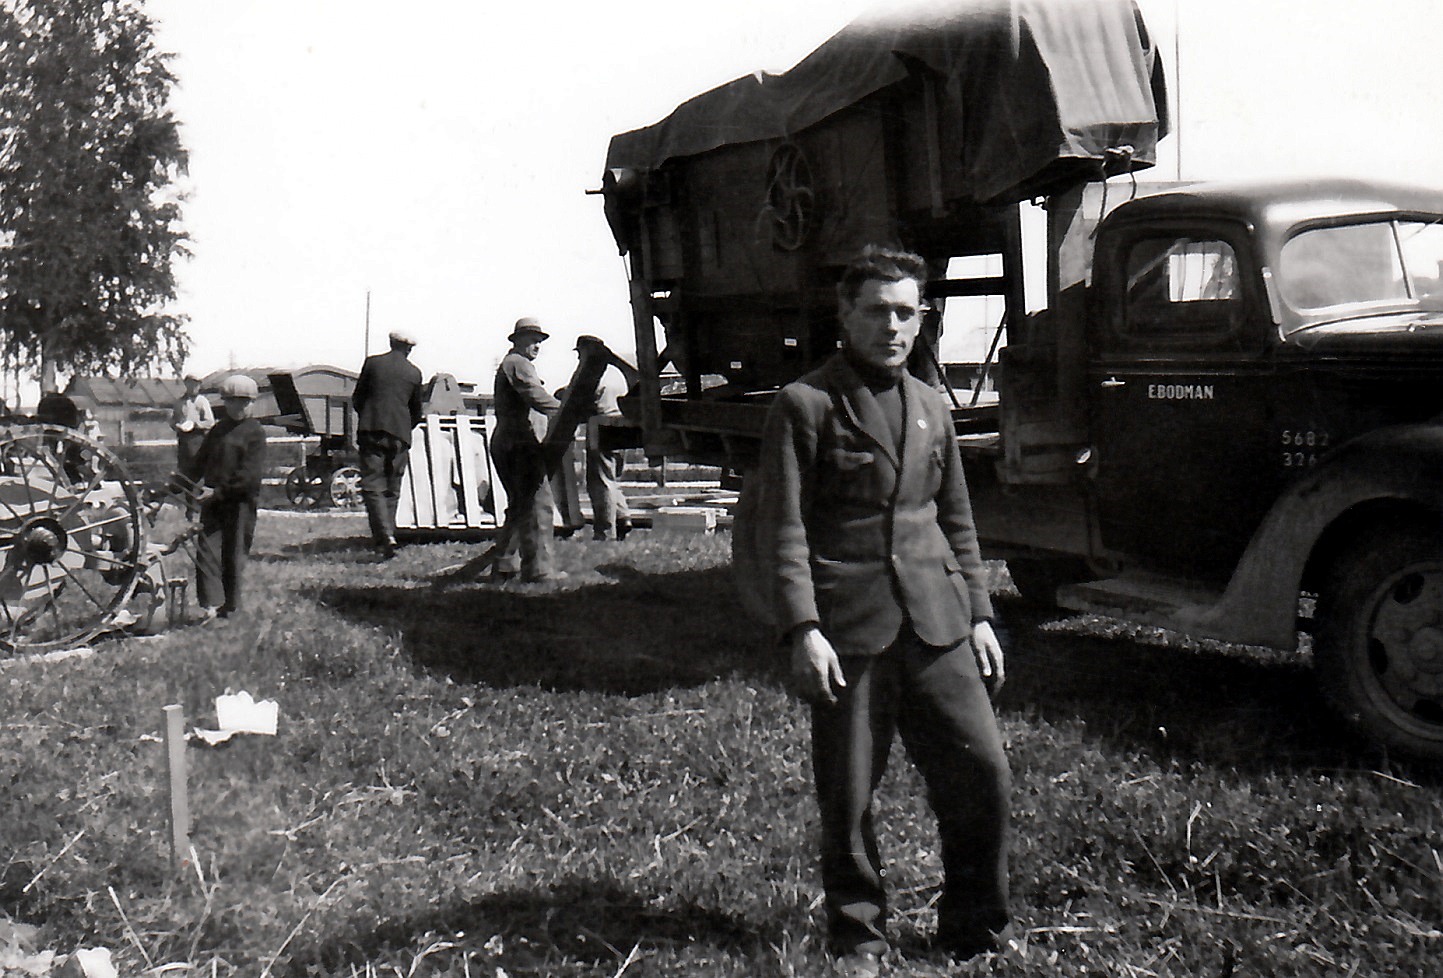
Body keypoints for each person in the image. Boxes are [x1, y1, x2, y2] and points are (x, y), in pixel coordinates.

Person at [751, 246, 1011, 976]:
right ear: (845, 314)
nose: (892, 326)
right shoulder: (804, 404)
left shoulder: (931, 405)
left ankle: (973, 928)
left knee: (981, 773)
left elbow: (954, 519)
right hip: (850, 629)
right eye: (877, 311)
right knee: (849, 792)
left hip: (938, 622)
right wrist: (802, 628)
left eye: (906, 312)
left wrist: (981, 613)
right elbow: (785, 528)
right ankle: (858, 936)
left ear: (921, 317)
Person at [187, 374, 267, 621]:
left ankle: (231, 606)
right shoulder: (218, 430)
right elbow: (198, 463)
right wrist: (178, 484)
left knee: (233, 554)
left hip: (239, 502)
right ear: (225, 402)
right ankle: (210, 605)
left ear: (253, 403)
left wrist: (219, 492)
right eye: (233, 401)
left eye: (245, 402)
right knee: (206, 551)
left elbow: (249, 477)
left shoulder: (255, 433)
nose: (239, 407)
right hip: (213, 502)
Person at [491, 317, 562, 582]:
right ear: (517, 340)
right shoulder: (518, 363)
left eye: (539, 341)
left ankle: (505, 565)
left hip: (509, 440)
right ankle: (539, 570)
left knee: (521, 505)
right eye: (532, 340)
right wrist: (565, 410)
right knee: (539, 504)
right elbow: (534, 395)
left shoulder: (513, 363)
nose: (537, 345)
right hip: (517, 442)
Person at [353, 329, 424, 559]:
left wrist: (370, 416)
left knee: (373, 484)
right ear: (409, 348)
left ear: (390, 343)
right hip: (400, 434)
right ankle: (387, 538)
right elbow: (416, 411)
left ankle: (384, 537)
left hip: (372, 429)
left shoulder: (373, 364)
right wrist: (402, 426)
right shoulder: (414, 373)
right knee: (392, 488)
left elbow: (358, 398)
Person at [575, 334, 633, 542]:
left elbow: (584, 403)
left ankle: (605, 531)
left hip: (601, 427)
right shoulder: (616, 373)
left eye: (580, 353)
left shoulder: (594, 374)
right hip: (622, 427)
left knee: (600, 481)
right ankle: (623, 516)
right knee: (612, 478)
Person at [171, 373, 214, 474]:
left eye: (196, 384)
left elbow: (210, 422)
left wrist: (196, 425)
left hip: (198, 438)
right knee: (183, 468)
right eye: (190, 384)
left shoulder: (202, 401)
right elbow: (173, 420)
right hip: (183, 439)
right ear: (186, 384)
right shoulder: (179, 402)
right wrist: (175, 425)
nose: (193, 387)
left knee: (197, 467)